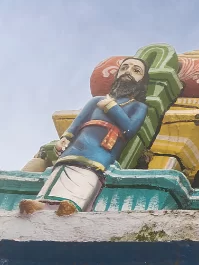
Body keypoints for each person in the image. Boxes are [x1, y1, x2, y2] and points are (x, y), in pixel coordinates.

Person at [20, 57, 150, 216]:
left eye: (136, 71)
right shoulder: (96, 100)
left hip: (102, 147)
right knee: (63, 168)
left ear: (142, 81)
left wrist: (111, 107)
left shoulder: (138, 106)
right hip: (80, 141)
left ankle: (73, 204)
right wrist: (66, 137)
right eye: (124, 68)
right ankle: (41, 203)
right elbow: (79, 121)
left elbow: (129, 129)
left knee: (89, 172)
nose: (128, 72)